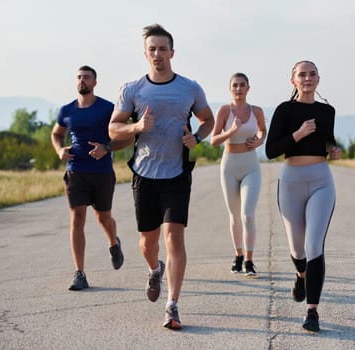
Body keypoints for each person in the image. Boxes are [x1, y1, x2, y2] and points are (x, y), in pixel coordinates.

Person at [108, 24, 214, 330]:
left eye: (162, 48)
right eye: (152, 49)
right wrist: (137, 128)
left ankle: (172, 305)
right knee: (147, 243)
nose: (157, 54)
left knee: (173, 236)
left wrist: (197, 137)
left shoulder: (189, 88)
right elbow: (113, 130)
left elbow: (208, 119)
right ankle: (154, 269)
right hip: (144, 174)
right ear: (145, 53)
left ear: (172, 52)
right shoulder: (132, 90)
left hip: (177, 174)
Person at [265, 60, 341, 332]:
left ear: (318, 79)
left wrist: (333, 147)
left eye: (312, 74)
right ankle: (300, 276)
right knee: (297, 249)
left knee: (313, 247)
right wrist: (298, 134)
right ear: (293, 81)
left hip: (321, 180)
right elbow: (271, 150)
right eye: (302, 75)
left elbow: (328, 138)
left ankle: (312, 312)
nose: (307, 79)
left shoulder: (327, 110)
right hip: (291, 182)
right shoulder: (285, 110)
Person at [51, 65, 133, 291]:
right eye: (79, 77)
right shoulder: (67, 110)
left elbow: (128, 137)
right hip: (76, 170)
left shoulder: (108, 108)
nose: (82, 81)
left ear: (95, 82)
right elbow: (56, 134)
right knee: (77, 218)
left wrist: (107, 147)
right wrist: (59, 150)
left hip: (102, 172)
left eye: (87, 77)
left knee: (103, 217)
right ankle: (80, 273)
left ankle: (114, 243)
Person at [211, 73, 266, 277]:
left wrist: (259, 141)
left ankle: (250, 261)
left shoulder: (257, 111)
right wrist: (231, 131)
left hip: (250, 165)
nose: (238, 89)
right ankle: (238, 256)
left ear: (248, 88)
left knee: (247, 214)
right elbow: (214, 140)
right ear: (230, 89)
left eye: (242, 85)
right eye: (235, 85)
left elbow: (262, 131)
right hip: (229, 166)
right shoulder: (225, 111)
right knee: (234, 216)